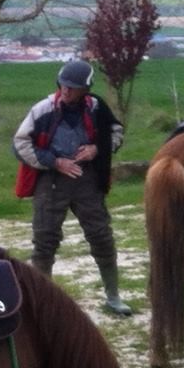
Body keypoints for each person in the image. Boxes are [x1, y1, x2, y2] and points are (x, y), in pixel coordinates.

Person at [13, 59, 132, 316]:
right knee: (45, 241)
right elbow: (21, 143)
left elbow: (116, 132)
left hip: (88, 181)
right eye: (63, 85)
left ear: (85, 89)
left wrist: (97, 149)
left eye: (73, 87)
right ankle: (41, 305)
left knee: (101, 236)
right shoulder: (43, 110)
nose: (66, 91)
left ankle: (113, 297)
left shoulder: (96, 108)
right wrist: (54, 162)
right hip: (51, 182)